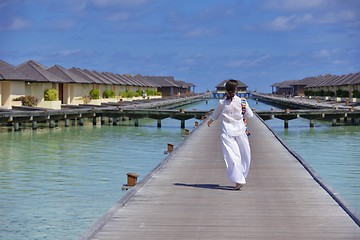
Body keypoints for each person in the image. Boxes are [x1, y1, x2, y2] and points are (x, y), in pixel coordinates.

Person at [207, 79, 254, 190]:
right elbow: (250, 115)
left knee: (233, 157)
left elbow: (215, 115)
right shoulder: (242, 101)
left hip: (227, 133)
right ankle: (240, 178)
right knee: (245, 155)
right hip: (240, 131)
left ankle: (239, 179)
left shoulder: (222, 103)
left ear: (226, 90)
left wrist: (210, 121)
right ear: (236, 89)